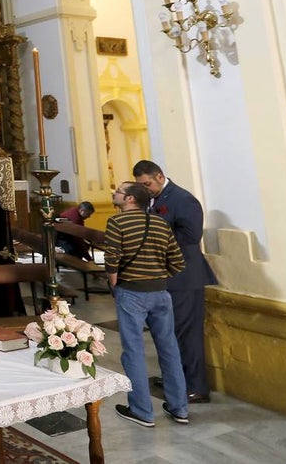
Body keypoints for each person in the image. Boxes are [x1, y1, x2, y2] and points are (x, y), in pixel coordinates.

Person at [105, 181, 189, 428]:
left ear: (130, 199)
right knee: (169, 349)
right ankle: (179, 408)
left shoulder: (117, 222)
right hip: (161, 293)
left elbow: (112, 259)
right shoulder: (161, 223)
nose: (115, 194)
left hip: (131, 292)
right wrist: (157, 276)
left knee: (133, 351)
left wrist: (114, 285)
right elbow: (177, 261)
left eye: (119, 192)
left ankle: (142, 411)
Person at [133, 159, 217, 404]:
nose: (145, 189)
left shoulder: (182, 198)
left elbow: (192, 236)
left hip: (185, 277)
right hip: (167, 277)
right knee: (169, 332)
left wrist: (155, 234)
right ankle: (176, 378)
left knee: (187, 334)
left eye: (147, 183)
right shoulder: (155, 200)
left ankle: (196, 387)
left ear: (159, 176)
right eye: (141, 185)